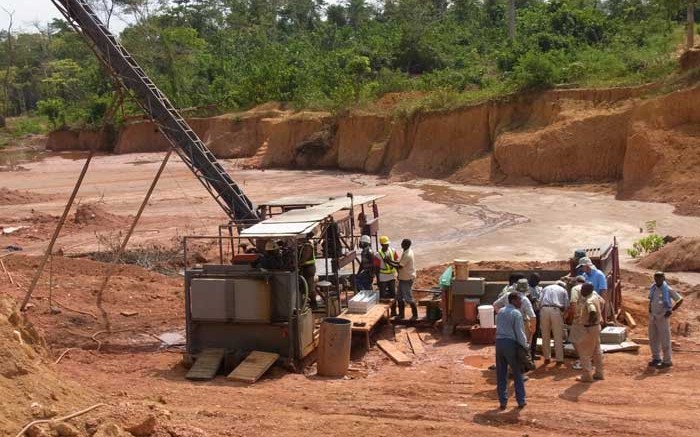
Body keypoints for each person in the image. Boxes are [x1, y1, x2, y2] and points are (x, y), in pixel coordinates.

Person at [495, 292, 529, 410]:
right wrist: (525, 346)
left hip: (499, 343)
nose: (521, 302)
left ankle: (503, 401)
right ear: (513, 300)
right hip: (510, 344)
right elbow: (519, 333)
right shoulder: (516, 313)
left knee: (501, 373)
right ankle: (521, 400)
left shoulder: (500, 312)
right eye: (519, 300)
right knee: (517, 372)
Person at [570, 283, 604, 382]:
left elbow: (592, 311)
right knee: (596, 351)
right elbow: (602, 302)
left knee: (584, 352)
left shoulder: (589, 301)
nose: (581, 291)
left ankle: (587, 376)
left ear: (586, 291)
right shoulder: (595, 296)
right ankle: (599, 373)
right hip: (597, 327)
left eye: (582, 290)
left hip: (590, 328)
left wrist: (590, 322)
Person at [494, 278, 536, 345]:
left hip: (507, 323)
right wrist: (533, 330)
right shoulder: (524, 299)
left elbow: (495, 305)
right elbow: (532, 316)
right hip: (522, 323)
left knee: (509, 343)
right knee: (522, 345)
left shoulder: (507, 295)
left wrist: (502, 314)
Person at [539, 280, 570, 365]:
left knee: (545, 335)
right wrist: (564, 316)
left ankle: (547, 358)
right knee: (558, 336)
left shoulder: (546, 288)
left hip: (544, 309)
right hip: (556, 310)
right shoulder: (563, 290)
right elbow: (566, 306)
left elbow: (539, 301)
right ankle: (559, 359)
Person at [648, 272, 674, 369]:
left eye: (659, 278)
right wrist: (649, 309)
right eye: (656, 278)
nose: (657, 280)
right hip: (653, 316)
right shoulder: (653, 288)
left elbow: (679, 299)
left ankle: (667, 361)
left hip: (662, 317)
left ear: (663, 278)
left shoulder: (667, 289)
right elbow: (650, 300)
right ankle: (656, 358)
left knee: (665, 339)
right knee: (653, 338)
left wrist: (671, 310)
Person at [376, 235, 399, 316]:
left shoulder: (393, 251)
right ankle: (382, 314)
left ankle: (393, 311)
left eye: (387, 244)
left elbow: (397, 263)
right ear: (381, 245)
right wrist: (378, 279)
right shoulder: (378, 254)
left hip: (392, 276)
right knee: (383, 296)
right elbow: (377, 268)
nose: (387, 245)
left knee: (393, 294)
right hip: (383, 277)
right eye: (385, 244)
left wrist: (398, 274)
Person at [396, 239, 417, 320]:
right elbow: (399, 263)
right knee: (399, 297)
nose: (401, 244)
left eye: (402, 243)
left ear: (405, 245)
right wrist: (390, 261)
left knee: (408, 298)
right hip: (403, 278)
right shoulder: (407, 251)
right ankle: (401, 315)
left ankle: (415, 315)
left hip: (406, 278)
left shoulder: (407, 255)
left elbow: (400, 266)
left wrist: (388, 262)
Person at [299, 233, 317, 310]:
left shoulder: (307, 246)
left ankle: (314, 304)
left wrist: (297, 263)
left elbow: (304, 259)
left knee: (310, 287)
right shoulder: (304, 246)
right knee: (304, 287)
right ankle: (304, 303)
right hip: (305, 268)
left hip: (309, 268)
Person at [528, 273, 543, 360]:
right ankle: (528, 354)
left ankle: (532, 354)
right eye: (535, 280)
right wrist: (531, 299)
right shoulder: (526, 288)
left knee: (535, 333)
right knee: (528, 333)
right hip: (529, 314)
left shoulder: (538, 288)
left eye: (538, 281)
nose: (536, 282)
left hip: (536, 312)